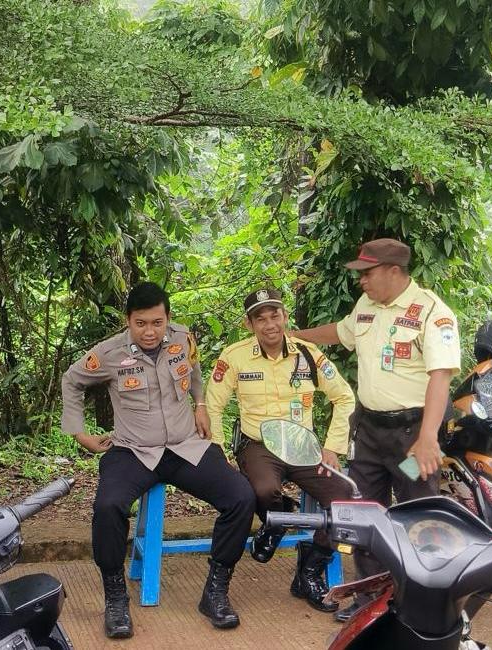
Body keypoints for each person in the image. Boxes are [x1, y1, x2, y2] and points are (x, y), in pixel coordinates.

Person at [61, 282, 256, 639]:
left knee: (241, 496)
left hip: (185, 446)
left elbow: (194, 370)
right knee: (107, 506)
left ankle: (216, 590)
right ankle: (115, 597)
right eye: (141, 323)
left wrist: (200, 404)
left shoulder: (183, 338)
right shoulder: (109, 353)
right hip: (133, 451)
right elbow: (71, 380)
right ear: (128, 321)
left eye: (157, 322)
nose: (150, 331)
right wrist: (79, 433)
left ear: (167, 318)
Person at [294, 238, 461, 619]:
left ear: (394, 271)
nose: (362, 280)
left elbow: (440, 378)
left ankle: (418, 603)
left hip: (412, 437)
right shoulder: (367, 305)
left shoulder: (432, 313)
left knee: (417, 514)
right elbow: (342, 332)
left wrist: (428, 438)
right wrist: (296, 336)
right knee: (365, 514)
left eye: (368, 273)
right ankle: (369, 601)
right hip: (370, 432)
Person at [204, 288, 356, 613]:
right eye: (260, 319)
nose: (270, 324)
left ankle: (309, 571)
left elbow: (344, 397)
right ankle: (277, 520)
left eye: (275, 316)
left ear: (285, 317)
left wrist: (332, 447)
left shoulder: (309, 354)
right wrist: (218, 449)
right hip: (259, 445)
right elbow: (213, 405)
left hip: (304, 446)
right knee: (263, 490)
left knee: (346, 501)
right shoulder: (235, 356)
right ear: (249, 324)